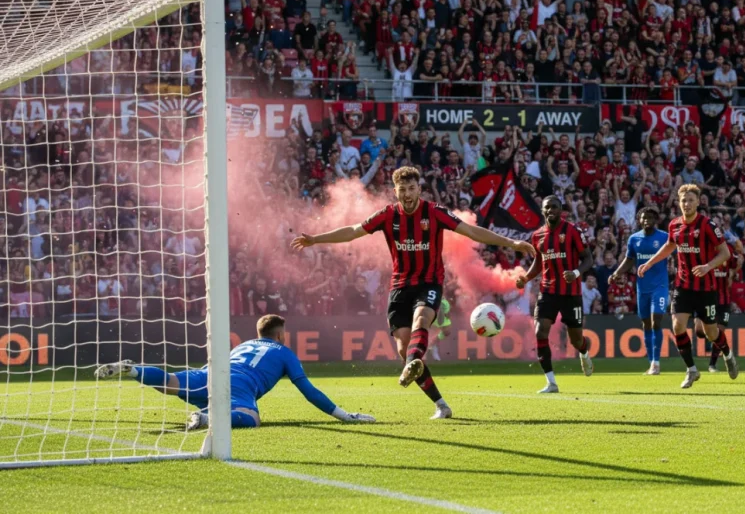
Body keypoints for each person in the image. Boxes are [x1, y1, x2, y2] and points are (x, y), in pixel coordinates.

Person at [290, 167, 534, 419]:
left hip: (429, 282)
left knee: (421, 321)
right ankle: (441, 403)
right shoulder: (388, 215)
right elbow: (353, 231)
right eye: (402, 190)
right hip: (399, 286)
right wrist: (316, 239)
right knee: (403, 348)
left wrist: (511, 242)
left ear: (419, 189)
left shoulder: (434, 213)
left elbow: (471, 231)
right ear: (395, 191)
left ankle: (416, 363)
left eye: (411, 188)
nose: (407, 194)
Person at [94, 315, 375, 430]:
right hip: (240, 383)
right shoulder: (284, 352)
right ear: (280, 335)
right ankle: (206, 419)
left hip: (213, 371)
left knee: (169, 381)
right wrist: (344, 416)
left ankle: (133, 370)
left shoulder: (246, 344)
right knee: (251, 419)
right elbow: (309, 392)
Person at [638, 184, 739, 389]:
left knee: (711, 333)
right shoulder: (674, 225)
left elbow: (725, 253)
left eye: (691, 200)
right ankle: (692, 370)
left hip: (706, 288)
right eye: (684, 200)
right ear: (679, 202)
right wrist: (650, 262)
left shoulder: (708, 225)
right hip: (683, 286)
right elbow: (669, 246)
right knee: (677, 326)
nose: (687, 204)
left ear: (698, 202)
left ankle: (728, 355)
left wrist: (708, 266)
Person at [516, 195, 595, 394]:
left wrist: (576, 273)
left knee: (576, 340)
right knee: (540, 332)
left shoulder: (573, 231)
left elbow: (588, 259)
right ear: (542, 211)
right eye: (547, 207)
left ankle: (584, 350)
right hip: (548, 291)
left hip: (571, 293)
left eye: (554, 207)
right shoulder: (537, 236)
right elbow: (538, 262)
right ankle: (551, 382)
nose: (551, 210)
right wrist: (526, 278)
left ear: (561, 210)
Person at [609, 207, 669, 375]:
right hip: (642, 288)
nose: (646, 220)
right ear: (639, 220)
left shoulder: (664, 237)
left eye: (650, 217)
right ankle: (651, 362)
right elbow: (629, 260)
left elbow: (676, 254)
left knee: (656, 318)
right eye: (643, 218)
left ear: (655, 219)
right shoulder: (634, 239)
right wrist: (616, 273)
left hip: (660, 286)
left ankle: (656, 362)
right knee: (646, 324)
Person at [702, 244, 743, 373]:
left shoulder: (728, 251)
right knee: (703, 331)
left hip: (724, 301)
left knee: (720, 330)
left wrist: (733, 273)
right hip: (709, 298)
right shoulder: (705, 251)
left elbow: (739, 261)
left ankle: (712, 365)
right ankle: (710, 341)